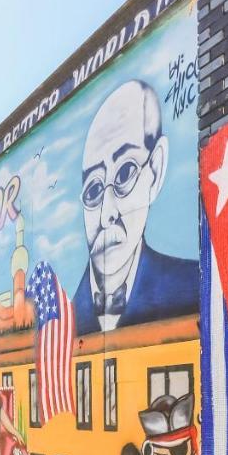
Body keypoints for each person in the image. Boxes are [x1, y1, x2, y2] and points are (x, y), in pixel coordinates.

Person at [73, 80, 198, 335]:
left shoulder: (194, 284)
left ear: (156, 169)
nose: (108, 214)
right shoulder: (61, 322)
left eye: (125, 172)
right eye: (94, 190)